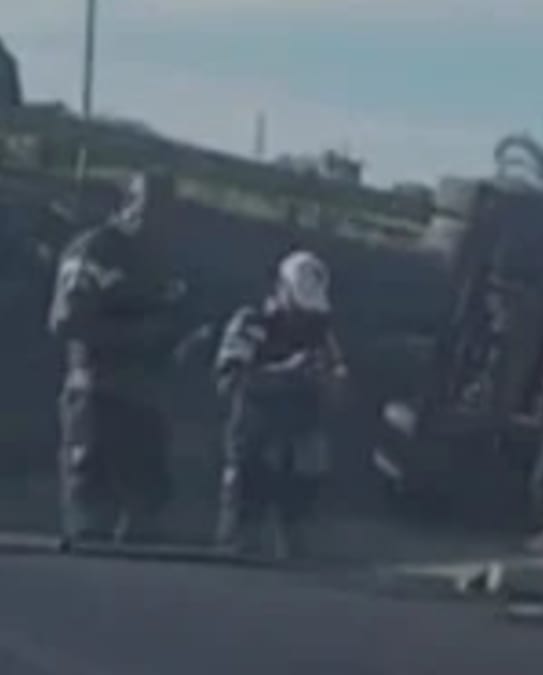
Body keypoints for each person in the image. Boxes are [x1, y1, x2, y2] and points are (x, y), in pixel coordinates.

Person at [48, 171, 190, 546]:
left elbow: (168, 330)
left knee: (148, 526)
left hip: (145, 408)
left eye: (168, 211)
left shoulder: (163, 262)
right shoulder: (95, 248)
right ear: (128, 204)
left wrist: (181, 346)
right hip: (96, 399)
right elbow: (65, 321)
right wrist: (137, 335)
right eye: (150, 207)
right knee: (90, 522)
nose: (159, 220)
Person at [214, 250, 347, 559]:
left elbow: (340, 386)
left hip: (301, 456)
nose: (304, 317)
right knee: (241, 543)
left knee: (302, 550)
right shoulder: (252, 322)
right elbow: (229, 379)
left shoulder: (321, 332)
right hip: (254, 447)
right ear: (281, 289)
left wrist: (328, 381)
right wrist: (286, 372)